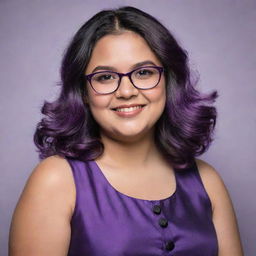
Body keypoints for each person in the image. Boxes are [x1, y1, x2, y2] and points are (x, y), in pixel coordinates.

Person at [9, 6, 243, 256]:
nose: (126, 91)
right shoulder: (56, 180)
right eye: (106, 77)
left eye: (144, 72)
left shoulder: (207, 181)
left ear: (168, 81)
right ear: (84, 93)